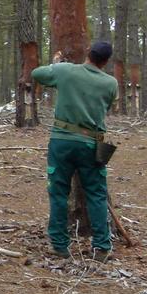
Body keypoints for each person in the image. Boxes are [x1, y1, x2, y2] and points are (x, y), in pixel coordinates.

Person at [31, 41, 119, 262]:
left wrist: (56, 64)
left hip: (62, 141)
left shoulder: (65, 70)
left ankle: (60, 246)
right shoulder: (110, 83)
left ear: (88, 53)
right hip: (92, 144)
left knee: (59, 193)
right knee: (97, 195)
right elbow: (105, 105)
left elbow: (37, 74)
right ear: (106, 61)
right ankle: (101, 247)